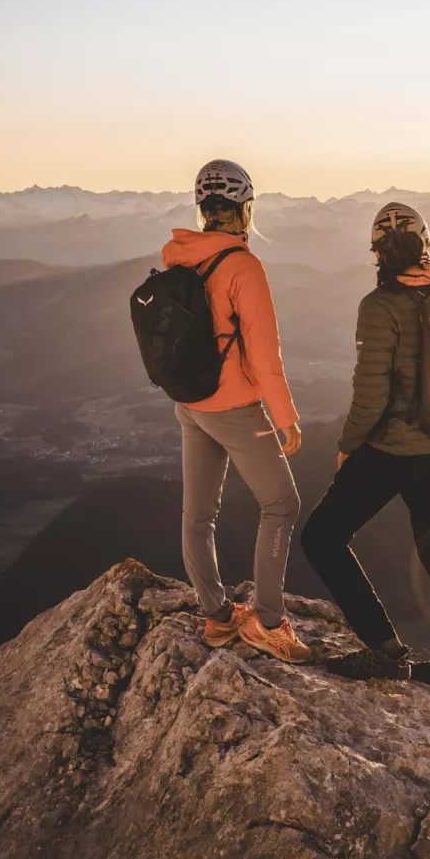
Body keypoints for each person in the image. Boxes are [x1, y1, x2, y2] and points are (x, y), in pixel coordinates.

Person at [302, 203, 430, 696]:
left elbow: (371, 393)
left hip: (392, 448)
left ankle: (385, 650)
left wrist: (348, 445)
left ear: (377, 251)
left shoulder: (378, 307)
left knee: (322, 537)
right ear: (424, 244)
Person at [164, 159, 311, 663]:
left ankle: (217, 618)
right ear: (245, 209)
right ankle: (269, 622)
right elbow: (264, 356)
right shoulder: (243, 266)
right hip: (235, 407)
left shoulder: (180, 257)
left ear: (203, 208)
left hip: (191, 403)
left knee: (198, 514)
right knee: (281, 504)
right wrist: (284, 417)